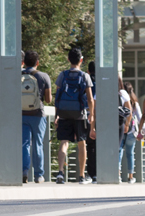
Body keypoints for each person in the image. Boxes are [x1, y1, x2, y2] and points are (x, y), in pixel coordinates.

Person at [54, 48, 95, 185]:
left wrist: (57, 115)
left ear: (68, 59)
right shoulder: (85, 76)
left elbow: (57, 97)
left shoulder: (63, 75)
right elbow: (90, 99)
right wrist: (92, 115)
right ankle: (81, 175)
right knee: (81, 143)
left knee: (64, 142)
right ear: (81, 60)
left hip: (64, 113)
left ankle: (60, 172)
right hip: (80, 114)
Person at [21, 51, 51, 184]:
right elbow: (49, 99)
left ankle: (24, 172)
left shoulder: (18, 75)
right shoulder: (43, 76)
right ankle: (39, 175)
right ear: (37, 63)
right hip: (38, 115)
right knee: (38, 144)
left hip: (21, 114)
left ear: (24, 62)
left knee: (24, 144)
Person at [118, 82, 141, 183]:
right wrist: (142, 131)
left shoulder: (120, 99)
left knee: (119, 151)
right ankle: (131, 176)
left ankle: (118, 173)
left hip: (121, 128)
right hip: (131, 130)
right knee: (130, 153)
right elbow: (140, 117)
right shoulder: (135, 103)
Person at [84, 61, 98, 183]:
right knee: (98, 145)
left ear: (88, 71)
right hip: (98, 115)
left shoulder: (85, 79)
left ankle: (90, 173)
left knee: (88, 145)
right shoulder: (102, 81)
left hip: (85, 114)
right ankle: (98, 172)